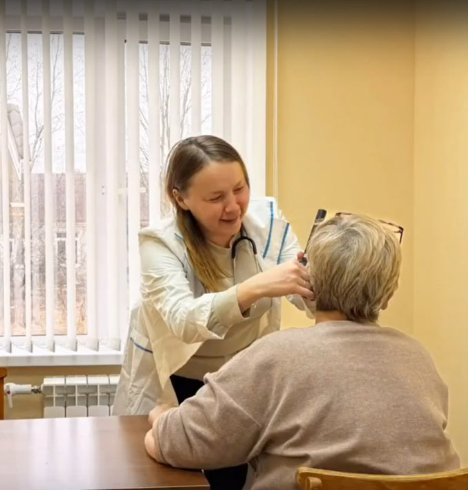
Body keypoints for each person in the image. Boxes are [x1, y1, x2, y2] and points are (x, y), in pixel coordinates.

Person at [143, 213, 461, 490]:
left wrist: (161, 417)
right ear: (388, 295)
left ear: (308, 283)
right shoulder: (418, 358)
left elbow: (178, 444)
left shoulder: (275, 357)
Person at [112, 135, 316, 489]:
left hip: (239, 383)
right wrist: (257, 286)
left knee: (233, 480)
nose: (233, 207)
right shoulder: (160, 243)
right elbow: (184, 320)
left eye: (239, 189)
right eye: (215, 197)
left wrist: (328, 276)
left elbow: (307, 295)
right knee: (167, 482)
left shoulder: (267, 222)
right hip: (177, 380)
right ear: (181, 198)